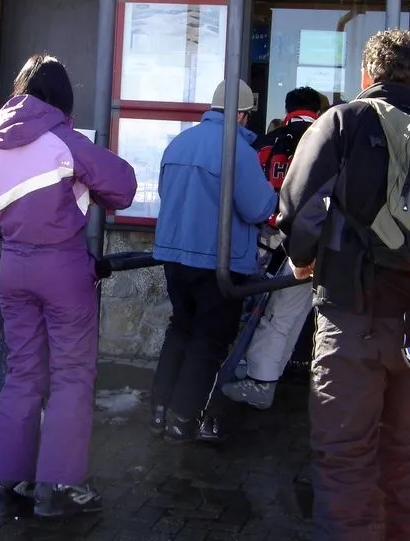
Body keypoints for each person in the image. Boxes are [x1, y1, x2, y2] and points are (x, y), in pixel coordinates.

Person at [276, 30, 410, 541]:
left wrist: (303, 262)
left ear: (366, 76)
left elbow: (298, 208)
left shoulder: (341, 122)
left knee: (345, 457)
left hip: (352, 318)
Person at [0, 54, 137, 518]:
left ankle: (6, 482)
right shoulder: (64, 140)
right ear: (61, 98)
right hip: (62, 269)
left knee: (22, 372)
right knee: (72, 377)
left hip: (12, 267)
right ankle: (57, 488)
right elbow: (123, 187)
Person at [150, 79, 277, 444]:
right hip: (218, 263)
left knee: (181, 329)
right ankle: (184, 420)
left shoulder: (179, 142)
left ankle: (159, 410)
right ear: (241, 114)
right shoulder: (235, 150)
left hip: (174, 256)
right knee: (209, 341)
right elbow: (258, 208)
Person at [221, 86, 323, 410]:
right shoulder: (325, 142)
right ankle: (263, 377)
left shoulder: (265, 142)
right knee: (288, 315)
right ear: (316, 110)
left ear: (288, 108)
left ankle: (256, 376)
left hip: (262, 240)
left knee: (262, 312)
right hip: (310, 243)